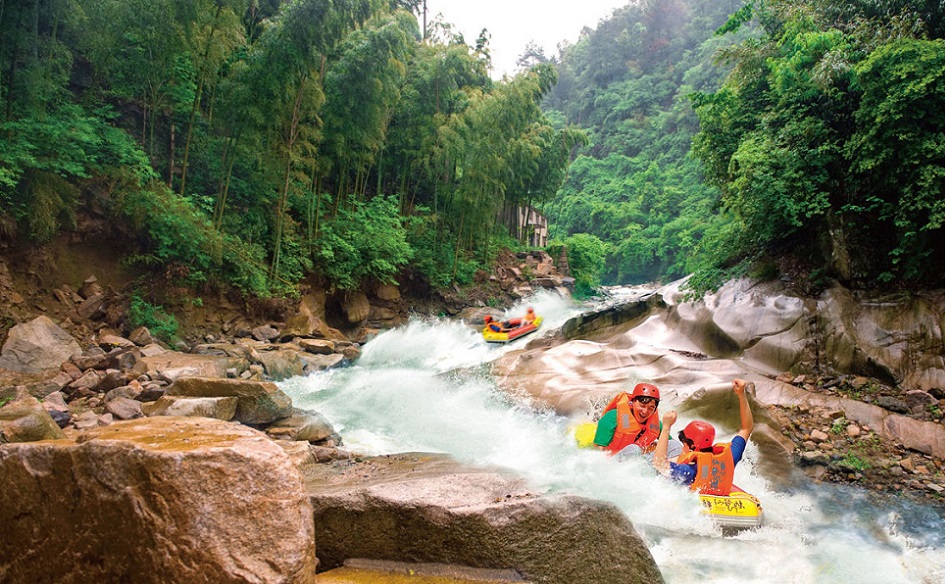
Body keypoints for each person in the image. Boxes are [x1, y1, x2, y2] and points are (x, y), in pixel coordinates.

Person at [652, 378, 754, 496]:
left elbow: (659, 464)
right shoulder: (730, 457)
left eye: (683, 440)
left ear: (692, 446)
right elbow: (747, 428)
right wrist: (741, 394)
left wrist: (666, 427)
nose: (682, 444)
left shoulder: (689, 471)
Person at [593, 383, 681, 458]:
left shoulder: (656, 424)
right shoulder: (612, 417)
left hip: (640, 463)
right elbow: (598, 452)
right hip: (614, 461)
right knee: (634, 449)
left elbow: (669, 444)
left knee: (674, 445)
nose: (645, 411)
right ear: (632, 402)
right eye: (642, 405)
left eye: (651, 408)